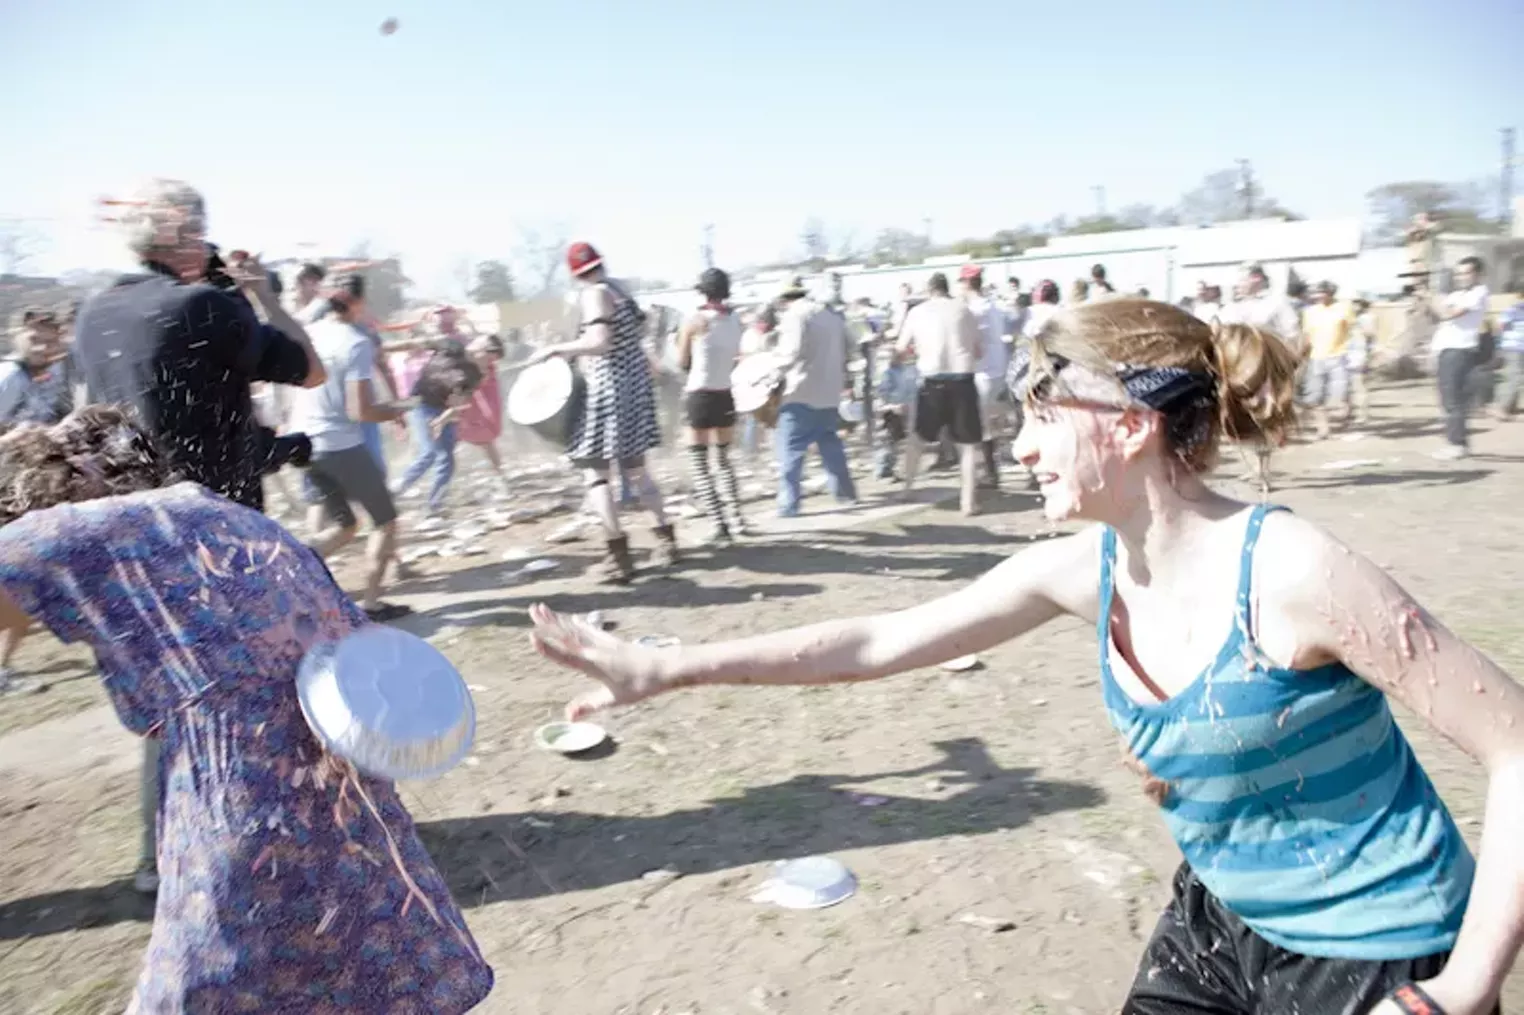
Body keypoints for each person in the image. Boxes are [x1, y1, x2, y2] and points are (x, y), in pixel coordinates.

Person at [531, 298, 1522, 1015]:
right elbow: (876, 640)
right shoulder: (1082, 570)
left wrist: (1463, 987)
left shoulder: (1293, 571)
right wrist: (670, 666)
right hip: (1219, 918)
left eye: (1042, 418)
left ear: (1130, 427)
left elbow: (1516, 746)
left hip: (1374, 957)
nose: (1020, 447)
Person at [0, 405, 494, 1012]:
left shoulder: (78, 528)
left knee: (212, 985)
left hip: (240, 812)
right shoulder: (233, 519)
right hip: (349, 808)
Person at [72, 179, 325, 513]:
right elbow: (312, 371)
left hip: (131, 515)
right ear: (185, 231)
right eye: (200, 232)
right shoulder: (202, 305)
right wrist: (262, 295)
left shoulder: (93, 313)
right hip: (212, 516)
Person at [528, 242, 675, 582]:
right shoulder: (618, 291)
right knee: (638, 470)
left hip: (608, 390)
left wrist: (556, 349)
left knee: (595, 475)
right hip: (634, 388)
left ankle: (617, 555)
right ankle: (666, 541)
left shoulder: (594, 293)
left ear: (574, 272)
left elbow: (599, 342)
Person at [286, 274, 413, 622]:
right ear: (358, 302)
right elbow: (360, 411)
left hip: (302, 443)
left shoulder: (309, 333)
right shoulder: (356, 342)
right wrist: (399, 409)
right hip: (338, 443)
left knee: (344, 526)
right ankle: (370, 604)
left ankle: (289, 567)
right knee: (385, 522)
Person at [897, 271, 984, 515]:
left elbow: (901, 349)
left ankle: (907, 488)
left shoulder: (918, 312)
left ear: (929, 290)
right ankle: (968, 502)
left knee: (917, 439)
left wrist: (918, 352)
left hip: (932, 381)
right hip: (962, 380)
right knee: (967, 445)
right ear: (948, 289)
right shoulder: (964, 310)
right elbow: (978, 350)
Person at [771, 276, 858, 518]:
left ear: (785, 299)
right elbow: (852, 346)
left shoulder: (794, 315)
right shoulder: (832, 316)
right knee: (830, 445)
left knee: (790, 450)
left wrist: (768, 371)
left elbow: (790, 353)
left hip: (800, 391)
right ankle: (846, 494)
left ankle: (789, 505)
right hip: (830, 391)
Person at [675, 268, 750, 544]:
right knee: (724, 459)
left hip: (699, 394)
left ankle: (720, 525)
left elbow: (682, 362)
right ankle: (738, 519)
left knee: (699, 463)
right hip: (725, 392)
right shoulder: (735, 321)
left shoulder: (694, 321)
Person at [391, 321, 483, 519]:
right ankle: (398, 492)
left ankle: (433, 504)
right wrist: (382, 347)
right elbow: (418, 343)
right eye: (479, 347)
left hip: (443, 411)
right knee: (431, 454)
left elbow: (459, 405)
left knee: (444, 457)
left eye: (488, 353)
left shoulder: (474, 374)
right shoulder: (450, 346)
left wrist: (442, 420)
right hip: (423, 404)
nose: (479, 352)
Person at [1430, 256, 1491, 460]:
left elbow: (1450, 314)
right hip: (1445, 349)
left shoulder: (1478, 292)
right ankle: (1457, 442)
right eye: (1458, 273)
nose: (1461, 277)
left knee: (1454, 399)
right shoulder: (1456, 294)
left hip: (1459, 350)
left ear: (1478, 274)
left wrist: (1437, 300)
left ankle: (1457, 444)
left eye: (1466, 273)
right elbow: (1435, 315)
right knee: (1447, 398)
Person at [959, 265, 1008, 488]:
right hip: (997, 370)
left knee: (979, 428)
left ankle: (988, 473)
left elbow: (970, 343)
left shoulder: (975, 309)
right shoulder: (993, 306)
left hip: (983, 373)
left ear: (967, 283)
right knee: (991, 426)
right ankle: (990, 472)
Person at [455, 333, 513, 498]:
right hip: (470, 399)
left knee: (485, 440)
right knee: (454, 438)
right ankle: (499, 478)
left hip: (475, 401)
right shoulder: (474, 350)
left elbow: (478, 379)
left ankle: (500, 479)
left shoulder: (484, 360)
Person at [1300, 281, 1353, 439]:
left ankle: (1346, 413)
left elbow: (1353, 330)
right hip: (1316, 357)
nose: (1318, 296)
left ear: (1331, 293)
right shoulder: (1309, 312)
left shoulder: (1344, 308)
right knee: (1315, 396)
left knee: (1339, 395)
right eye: (1317, 293)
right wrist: (1302, 355)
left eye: (1322, 292)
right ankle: (1323, 429)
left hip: (1338, 356)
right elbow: (1307, 336)